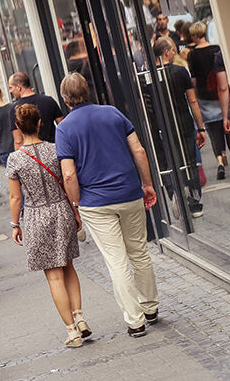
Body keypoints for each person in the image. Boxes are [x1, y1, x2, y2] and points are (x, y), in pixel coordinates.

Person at [55, 73, 159, 338]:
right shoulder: (113, 113)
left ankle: (135, 321)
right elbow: (139, 151)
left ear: (65, 100)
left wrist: (75, 204)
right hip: (128, 193)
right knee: (139, 251)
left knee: (116, 260)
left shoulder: (65, 128)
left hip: (95, 202)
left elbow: (68, 174)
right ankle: (151, 307)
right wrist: (146, 183)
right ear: (87, 91)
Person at [6, 104, 89, 348]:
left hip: (35, 215)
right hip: (61, 210)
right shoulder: (56, 150)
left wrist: (14, 224)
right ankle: (80, 317)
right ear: (40, 123)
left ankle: (72, 331)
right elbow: (67, 178)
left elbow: (15, 198)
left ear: (19, 127)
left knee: (54, 276)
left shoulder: (15, 159)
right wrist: (75, 211)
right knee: (69, 266)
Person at [153, 38, 207, 217]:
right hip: (182, 122)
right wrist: (200, 127)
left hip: (161, 126)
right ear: (167, 52)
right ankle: (193, 201)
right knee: (188, 160)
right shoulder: (180, 71)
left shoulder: (149, 76)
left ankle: (175, 191)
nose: (174, 52)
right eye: (172, 50)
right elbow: (192, 100)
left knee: (170, 160)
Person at [187, 21, 230, 179]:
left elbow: (193, 79)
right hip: (219, 95)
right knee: (228, 130)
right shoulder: (216, 50)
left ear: (194, 35)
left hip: (204, 96)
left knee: (213, 131)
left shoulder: (192, 55)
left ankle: (220, 161)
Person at [8, 72, 64, 151]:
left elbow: (18, 141)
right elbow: (62, 126)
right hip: (53, 150)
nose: (10, 91)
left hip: (31, 155)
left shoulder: (16, 109)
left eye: (11, 87)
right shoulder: (49, 100)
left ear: (18, 87)